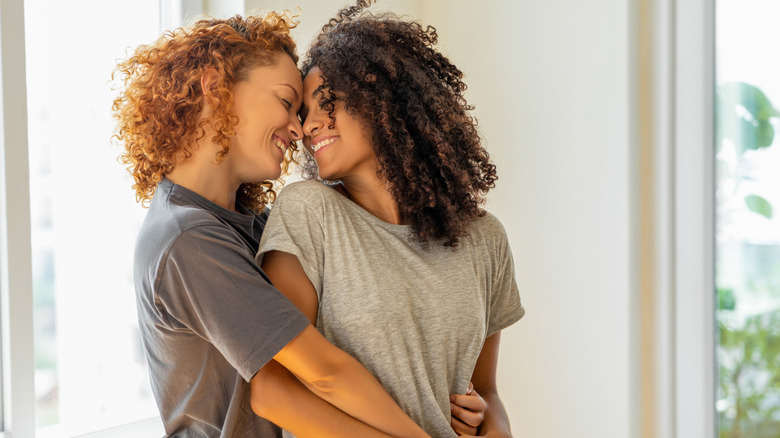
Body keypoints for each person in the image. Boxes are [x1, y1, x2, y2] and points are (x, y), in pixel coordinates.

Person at [112, 12, 429, 438]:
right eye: (286, 102)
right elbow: (324, 373)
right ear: (214, 87)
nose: (299, 130)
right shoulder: (187, 240)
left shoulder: (254, 226)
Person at [257, 2, 525, 437]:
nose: (309, 127)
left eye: (330, 102)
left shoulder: (485, 239)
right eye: (305, 114)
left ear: (387, 101)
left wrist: (494, 425)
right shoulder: (308, 213)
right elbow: (275, 389)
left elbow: (487, 393)